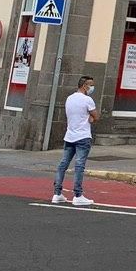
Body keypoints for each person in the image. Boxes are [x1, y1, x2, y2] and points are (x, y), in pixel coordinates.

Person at [52, 76, 98, 206]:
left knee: (63, 164)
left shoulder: (69, 98)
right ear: (84, 86)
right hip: (83, 136)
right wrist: (90, 117)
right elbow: (96, 115)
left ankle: (57, 193)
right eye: (90, 85)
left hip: (70, 135)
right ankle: (78, 194)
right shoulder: (88, 100)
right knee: (79, 166)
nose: (92, 88)